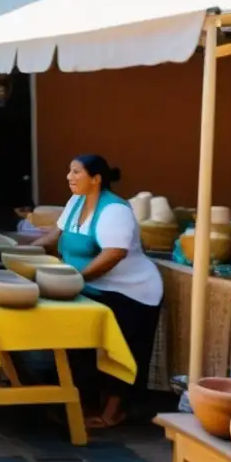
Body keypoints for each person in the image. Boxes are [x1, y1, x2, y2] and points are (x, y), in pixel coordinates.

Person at [33, 154, 163, 428]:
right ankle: (82, 400)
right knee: (79, 343)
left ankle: (113, 412)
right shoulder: (75, 202)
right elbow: (54, 237)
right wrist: (21, 251)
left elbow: (114, 254)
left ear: (96, 179)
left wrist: (77, 277)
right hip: (92, 287)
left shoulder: (115, 210)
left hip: (131, 293)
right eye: (69, 171)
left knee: (121, 350)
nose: (69, 177)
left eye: (76, 172)